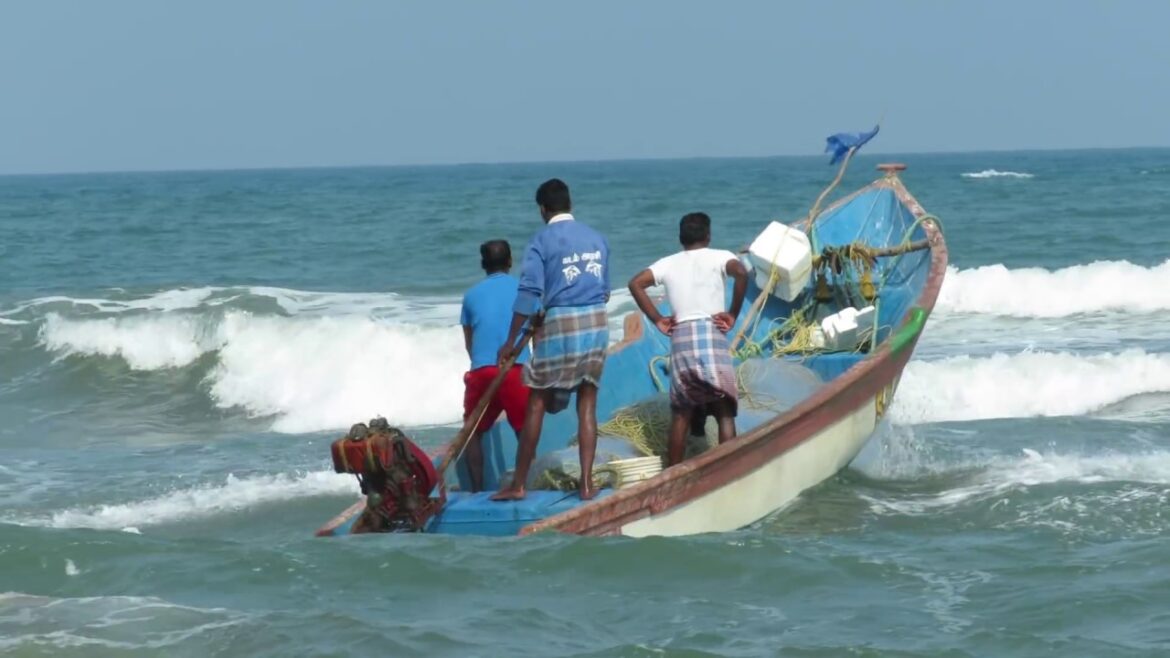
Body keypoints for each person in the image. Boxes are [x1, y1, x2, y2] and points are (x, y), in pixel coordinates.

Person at [492, 178, 611, 502]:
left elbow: (529, 293)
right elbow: (604, 291)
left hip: (561, 322)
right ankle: (586, 485)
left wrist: (510, 341)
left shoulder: (540, 241)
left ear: (543, 209)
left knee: (537, 401)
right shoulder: (597, 238)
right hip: (597, 321)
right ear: (570, 205)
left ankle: (518, 484)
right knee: (587, 401)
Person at [627, 212, 748, 466]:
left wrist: (657, 319)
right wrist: (733, 313)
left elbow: (635, 283)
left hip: (681, 337)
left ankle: (674, 472)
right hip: (711, 332)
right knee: (724, 410)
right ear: (708, 236)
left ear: (681, 238)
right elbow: (741, 272)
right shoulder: (720, 256)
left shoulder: (668, 263)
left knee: (681, 412)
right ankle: (728, 466)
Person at [459, 240, 531, 492]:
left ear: (483, 264)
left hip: (482, 371)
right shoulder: (525, 290)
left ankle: (476, 489)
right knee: (525, 430)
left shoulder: (470, 296)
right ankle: (524, 485)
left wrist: (483, 367)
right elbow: (538, 331)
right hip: (514, 369)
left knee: (472, 432)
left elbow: (470, 344)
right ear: (510, 261)